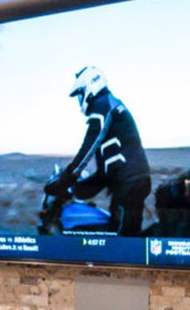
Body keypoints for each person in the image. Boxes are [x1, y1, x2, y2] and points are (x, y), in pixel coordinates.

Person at [45, 65, 150, 236]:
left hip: (130, 184)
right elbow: (103, 174)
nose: (80, 100)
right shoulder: (110, 106)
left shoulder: (103, 105)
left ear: (89, 88)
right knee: (115, 231)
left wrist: (65, 180)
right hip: (129, 183)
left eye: (80, 94)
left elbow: (87, 149)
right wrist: (75, 189)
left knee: (124, 242)